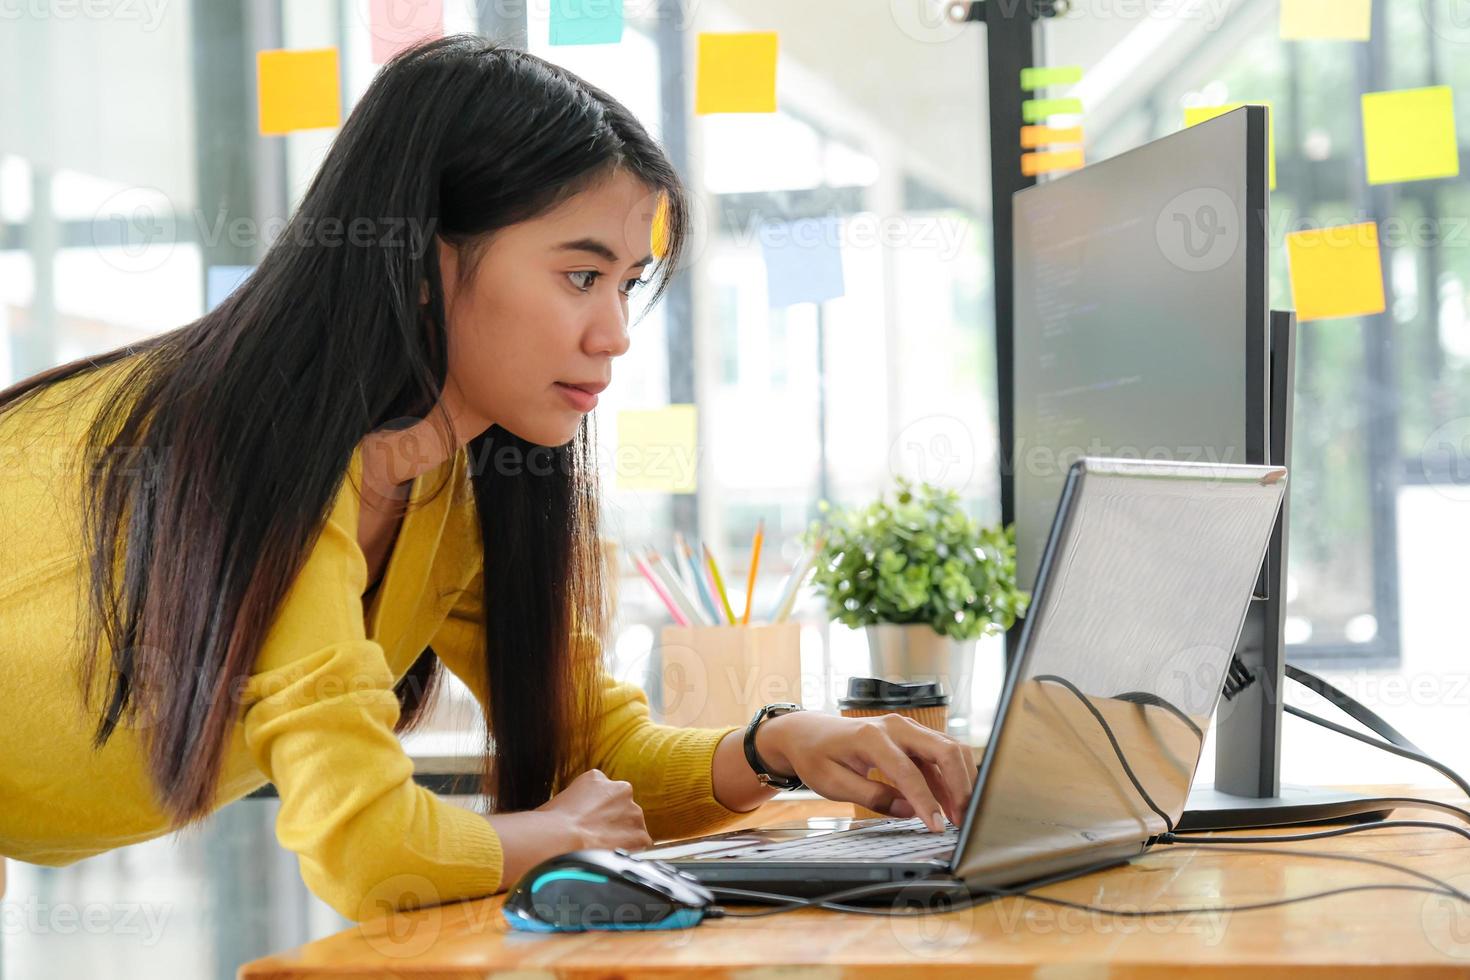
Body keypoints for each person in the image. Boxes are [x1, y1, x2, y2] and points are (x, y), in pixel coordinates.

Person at [0, 36, 974, 922]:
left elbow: (590, 746)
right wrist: (550, 835)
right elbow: (369, 856)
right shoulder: (279, 452)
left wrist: (778, 747)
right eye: (580, 276)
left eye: (629, 282)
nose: (616, 334)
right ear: (426, 263)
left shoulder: (450, 488)